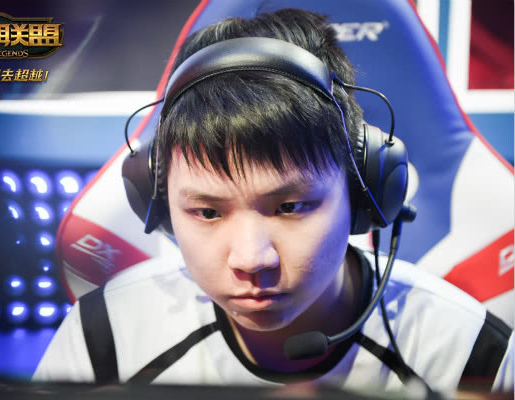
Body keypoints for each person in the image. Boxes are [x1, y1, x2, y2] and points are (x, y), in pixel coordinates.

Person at [33, 9, 512, 395]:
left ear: (362, 192)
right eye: (207, 212)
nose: (251, 260)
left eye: (290, 207)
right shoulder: (105, 338)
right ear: (158, 205)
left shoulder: (467, 354)